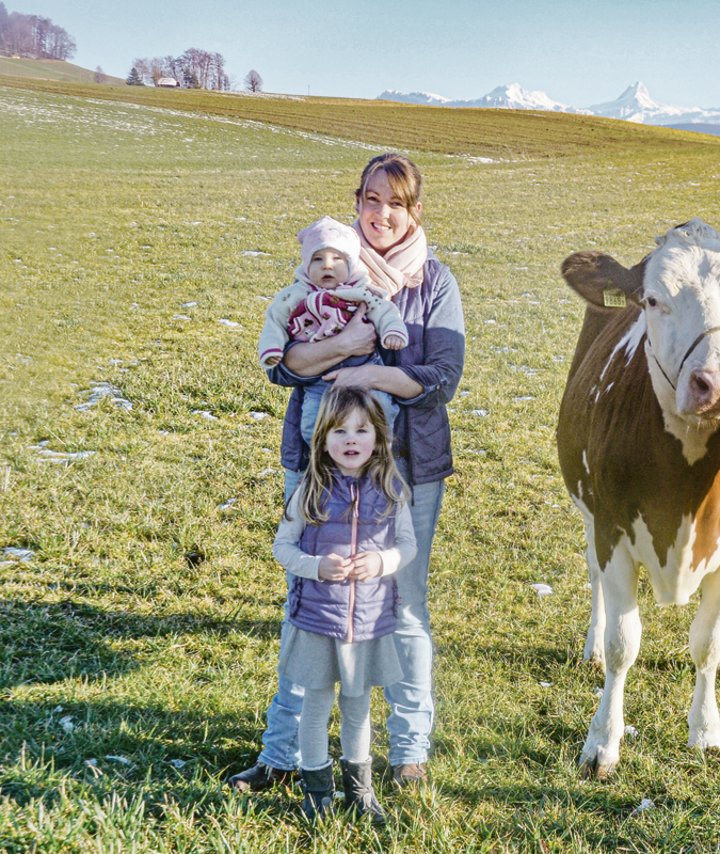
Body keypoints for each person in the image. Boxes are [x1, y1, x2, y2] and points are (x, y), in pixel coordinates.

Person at [229, 152, 465, 792]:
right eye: (370, 199)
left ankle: (407, 751)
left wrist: (364, 372)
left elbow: (441, 378)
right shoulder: (322, 266)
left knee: (404, 603)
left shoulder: (435, 283)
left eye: (396, 202)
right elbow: (281, 364)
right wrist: (345, 343)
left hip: (407, 467)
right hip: (315, 467)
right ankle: (283, 754)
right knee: (304, 603)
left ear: (415, 211)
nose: (381, 214)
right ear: (356, 202)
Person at [274, 386, 415, 823]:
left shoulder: (391, 491)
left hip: (368, 622)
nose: (350, 440)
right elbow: (283, 547)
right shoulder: (311, 491)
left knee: (358, 710)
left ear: (378, 438)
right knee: (315, 707)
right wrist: (317, 567)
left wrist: (382, 560)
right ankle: (317, 792)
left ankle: (360, 792)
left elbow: (408, 545)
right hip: (318, 620)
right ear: (322, 438)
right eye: (339, 431)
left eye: (361, 430)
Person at [257, 215, 407, 447]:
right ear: (307, 265)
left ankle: (377, 453)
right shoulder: (296, 296)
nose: (327, 265)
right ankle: (326, 458)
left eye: (337, 259)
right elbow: (274, 321)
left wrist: (393, 332)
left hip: (366, 369)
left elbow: (385, 311)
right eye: (318, 259)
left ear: (351, 265)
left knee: (382, 408)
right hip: (320, 380)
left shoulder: (360, 292)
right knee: (311, 422)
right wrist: (272, 349)